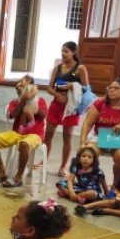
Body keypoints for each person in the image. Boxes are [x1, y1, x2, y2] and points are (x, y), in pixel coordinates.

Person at [80, 77, 120, 187]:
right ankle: (89, 184)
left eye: (116, 88)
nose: (112, 90)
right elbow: (87, 123)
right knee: (88, 153)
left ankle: (116, 186)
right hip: (99, 136)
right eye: (110, 88)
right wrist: (82, 143)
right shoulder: (100, 103)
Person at [0, 75, 48, 187]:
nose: (19, 86)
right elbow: (12, 115)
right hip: (16, 133)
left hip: (36, 134)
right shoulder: (14, 102)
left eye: (23, 85)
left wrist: (32, 104)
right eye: (18, 85)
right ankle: (2, 172)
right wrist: (23, 100)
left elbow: (43, 115)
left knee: (24, 145)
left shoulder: (40, 100)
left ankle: (18, 177)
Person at [43, 41, 89, 177]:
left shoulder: (80, 68)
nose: (63, 54)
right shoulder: (58, 68)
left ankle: (63, 166)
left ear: (74, 52)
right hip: (56, 105)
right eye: (62, 51)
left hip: (70, 108)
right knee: (48, 134)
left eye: (66, 51)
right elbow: (49, 87)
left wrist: (70, 89)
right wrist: (57, 94)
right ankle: (44, 160)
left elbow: (86, 88)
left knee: (67, 137)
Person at [74, 154, 120, 219]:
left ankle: (109, 211)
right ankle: (85, 207)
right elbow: (119, 191)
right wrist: (119, 197)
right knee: (110, 201)